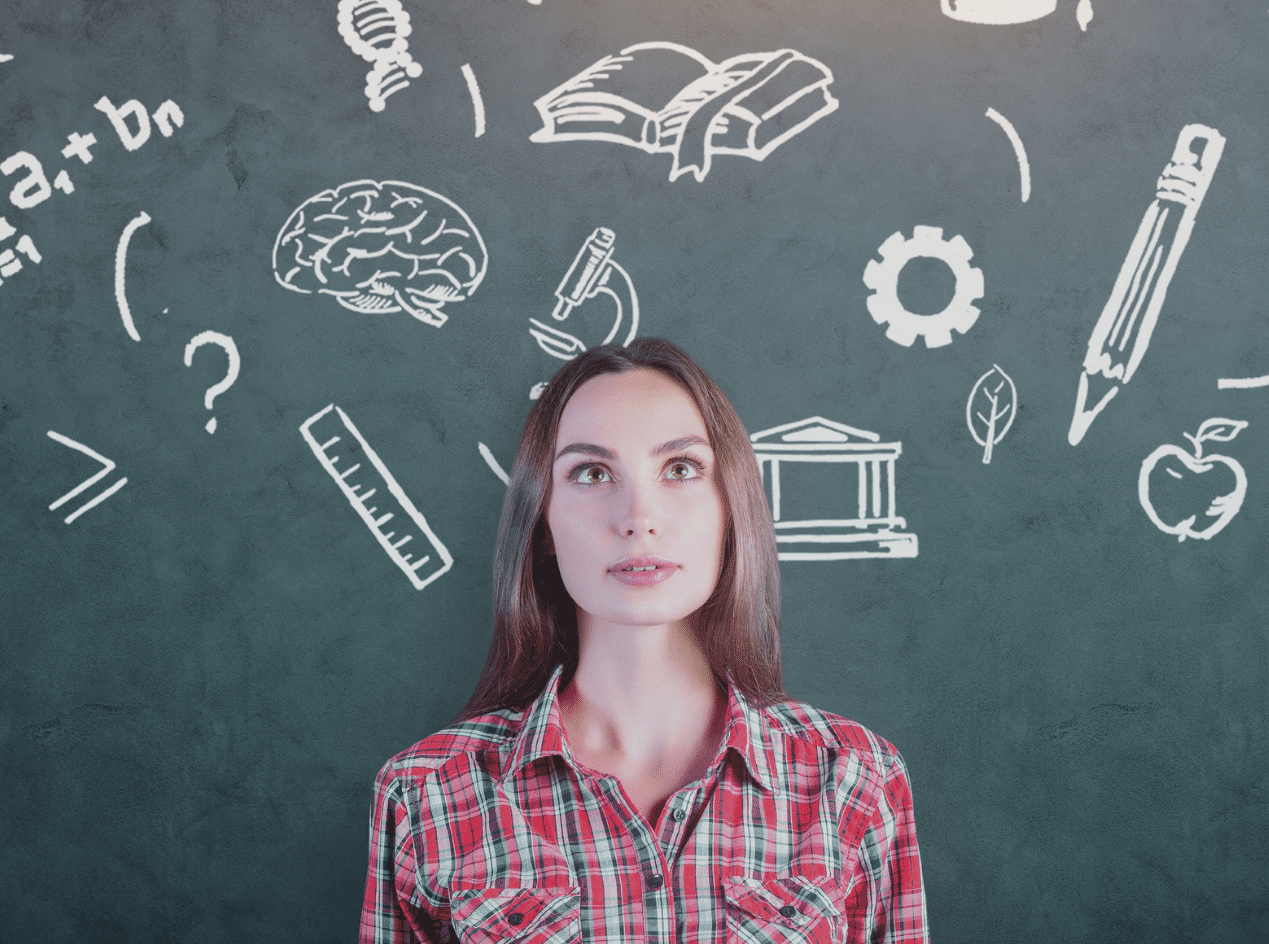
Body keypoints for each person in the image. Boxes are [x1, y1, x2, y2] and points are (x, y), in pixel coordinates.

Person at [360, 338, 928, 942]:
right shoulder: (426, 791)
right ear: (544, 520)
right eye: (592, 473)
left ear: (729, 507)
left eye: (680, 469)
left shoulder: (853, 777)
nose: (638, 515)